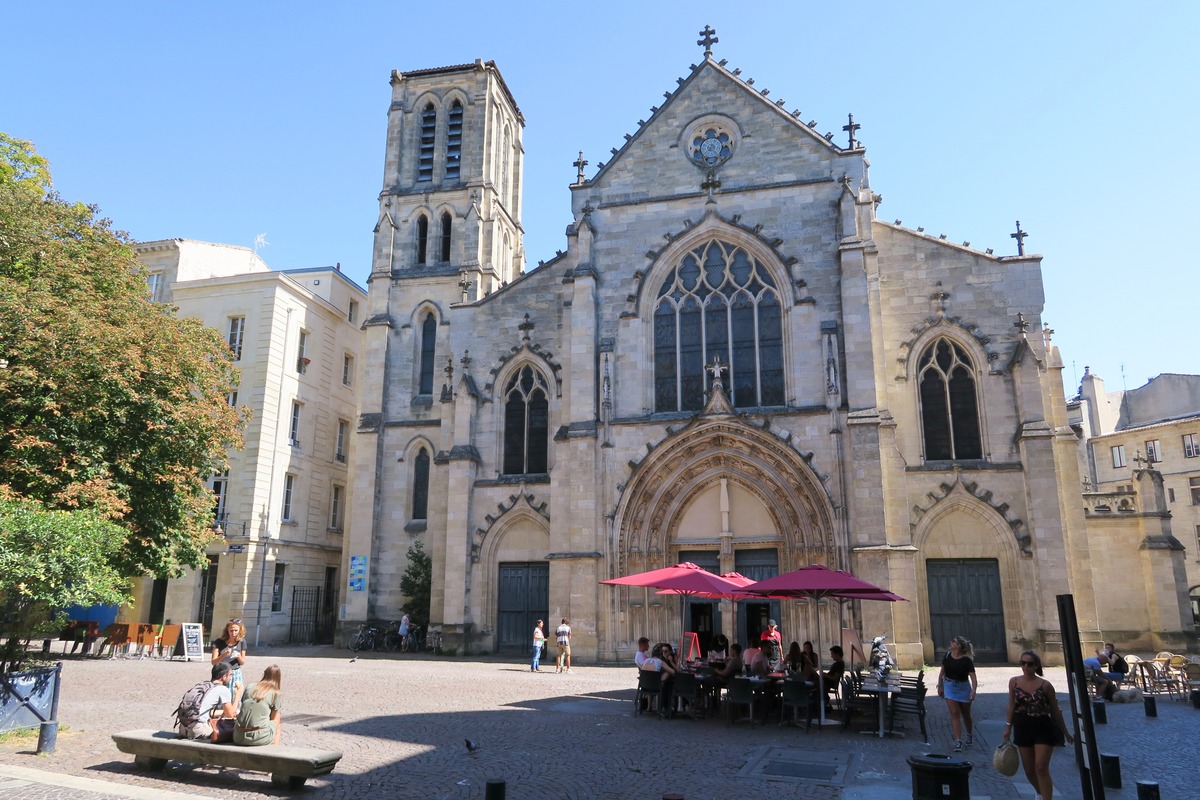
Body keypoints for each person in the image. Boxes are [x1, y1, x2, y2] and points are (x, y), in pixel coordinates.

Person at [1003, 650, 1074, 800]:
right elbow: (1011, 706)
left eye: (1029, 664)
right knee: (1029, 770)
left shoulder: (1046, 685)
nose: (1025, 667)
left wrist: (1066, 732)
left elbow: (1055, 710)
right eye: (1023, 663)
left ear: (1036, 666)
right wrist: (1008, 727)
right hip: (1022, 726)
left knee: (1041, 767)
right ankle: (1040, 793)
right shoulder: (1014, 682)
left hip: (1042, 726)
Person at [178, 662, 243, 742]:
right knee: (230, 735)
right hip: (199, 730)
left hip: (182, 729)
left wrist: (223, 712)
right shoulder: (223, 690)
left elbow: (206, 711)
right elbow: (231, 714)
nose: (231, 678)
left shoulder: (204, 686)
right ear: (224, 676)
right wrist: (237, 696)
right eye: (230, 675)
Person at [937, 635, 978, 751]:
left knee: (966, 714)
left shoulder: (966, 661)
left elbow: (973, 678)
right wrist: (940, 686)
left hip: (963, 687)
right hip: (949, 686)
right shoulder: (947, 656)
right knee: (955, 713)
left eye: (953, 642)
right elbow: (942, 672)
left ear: (959, 646)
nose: (951, 643)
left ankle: (969, 735)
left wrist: (973, 691)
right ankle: (958, 741)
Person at [234, 664, 282, 746]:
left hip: (238, 736)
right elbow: (274, 719)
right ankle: (275, 750)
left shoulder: (250, 687)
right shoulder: (276, 693)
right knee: (277, 723)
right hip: (259, 737)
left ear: (264, 674)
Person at [211, 619, 247, 699]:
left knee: (235, 696)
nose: (233, 633)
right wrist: (224, 655)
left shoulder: (241, 642)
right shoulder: (219, 642)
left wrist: (239, 657)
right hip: (222, 673)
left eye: (236, 630)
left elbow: (242, 662)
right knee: (221, 697)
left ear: (240, 630)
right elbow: (213, 662)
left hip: (235, 673)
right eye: (231, 630)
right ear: (227, 630)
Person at [641, 642, 677, 717]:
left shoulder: (645, 661)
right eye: (662, 652)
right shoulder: (660, 662)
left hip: (644, 688)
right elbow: (673, 672)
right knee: (665, 686)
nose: (663, 653)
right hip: (655, 688)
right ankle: (666, 708)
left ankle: (649, 706)